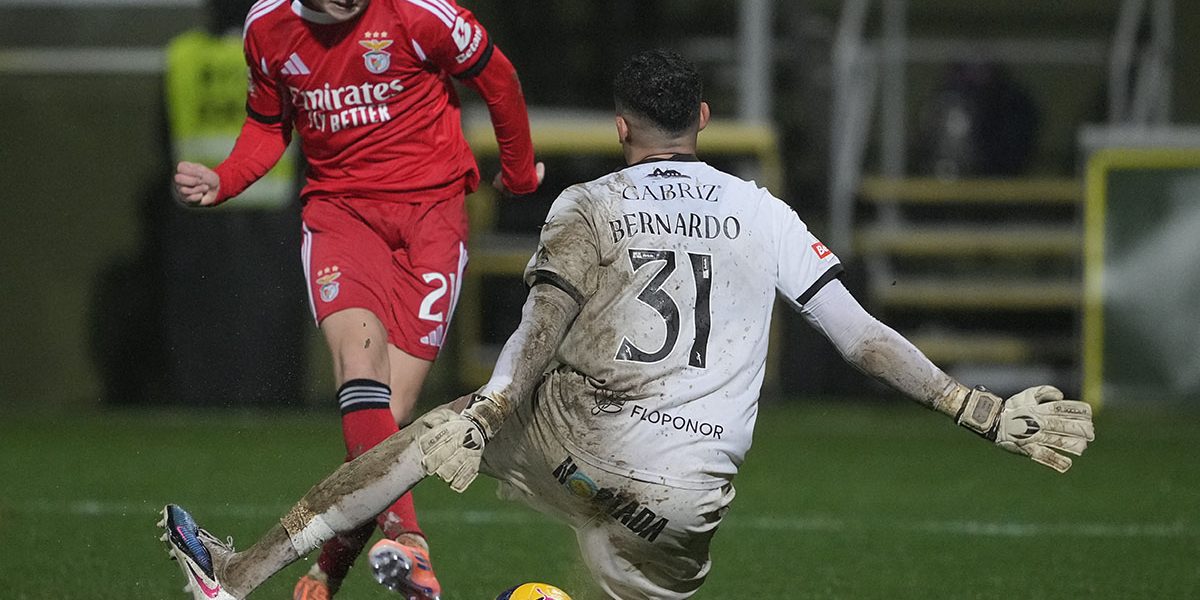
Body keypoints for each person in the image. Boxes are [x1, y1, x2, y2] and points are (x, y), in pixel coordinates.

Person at [161, 49, 1094, 600]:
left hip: (576, 453)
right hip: (685, 505)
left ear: (619, 129)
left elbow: (540, 330)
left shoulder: (590, 203)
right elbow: (859, 337)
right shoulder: (763, 212)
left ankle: (238, 580)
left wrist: (485, 415)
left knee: (419, 435)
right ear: (704, 118)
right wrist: (974, 406)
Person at [169, 0, 545, 597]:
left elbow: (497, 75)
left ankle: (270, 576)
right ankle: (412, 543)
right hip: (340, 216)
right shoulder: (268, 29)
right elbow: (269, 126)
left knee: (385, 431)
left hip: (434, 218)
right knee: (359, 366)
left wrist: (521, 174)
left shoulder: (419, 15)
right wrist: (226, 178)